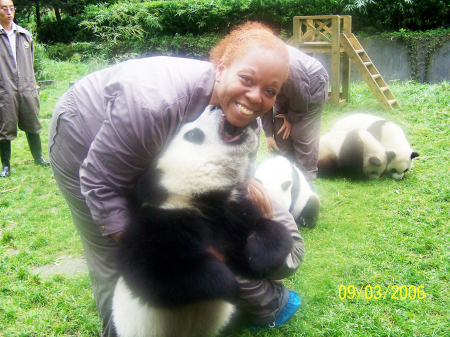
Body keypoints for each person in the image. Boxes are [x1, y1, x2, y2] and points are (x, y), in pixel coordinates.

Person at [49, 21, 305, 336]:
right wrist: (149, 254)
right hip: (83, 133)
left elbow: (236, 177)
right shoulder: (155, 104)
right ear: (221, 68)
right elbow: (99, 184)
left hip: (150, 144)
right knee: (115, 259)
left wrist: (235, 224)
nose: (256, 97)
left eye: (270, 91)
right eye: (248, 80)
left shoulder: (240, 107)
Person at [261, 45, 329, 181]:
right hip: (286, 87)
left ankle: (305, 180)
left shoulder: (290, 67)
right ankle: (282, 176)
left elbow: (302, 97)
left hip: (312, 84)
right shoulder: (257, 67)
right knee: (280, 130)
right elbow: (264, 102)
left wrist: (291, 118)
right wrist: (268, 135)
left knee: (301, 132)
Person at [0, 0, 49, 178]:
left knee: (32, 121)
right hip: (4, 88)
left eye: (11, 8)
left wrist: (29, 82)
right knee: (5, 125)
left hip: (26, 86)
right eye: (4, 8)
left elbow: (30, 60)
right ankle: (5, 165)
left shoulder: (24, 35)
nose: (8, 11)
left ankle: (38, 157)